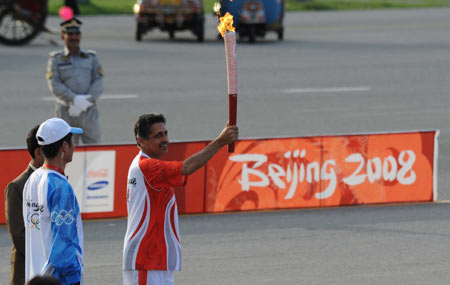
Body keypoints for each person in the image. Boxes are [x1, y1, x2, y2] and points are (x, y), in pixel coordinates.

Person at [122, 113, 239, 285]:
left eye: (165, 133)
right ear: (141, 141)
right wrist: (221, 141)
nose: (165, 139)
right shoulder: (146, 166)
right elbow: (187, 167)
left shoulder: (146, 166)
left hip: (157, 259)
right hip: (146, 258)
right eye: (158, 136)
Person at [23, 118, 84, 285]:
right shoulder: (60, 187)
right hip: (58, 278)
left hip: (36, 274)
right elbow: (64, 240)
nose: (74, 146)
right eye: (72, 141)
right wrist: (73, 278)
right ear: (64, 147)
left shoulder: (33, 178)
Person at [45, 17, 104, 145]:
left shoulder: (91, 57)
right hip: (66, 111)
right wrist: (74, 99)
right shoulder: (56, 59)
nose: (74, 37)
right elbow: (54, 83)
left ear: (80, 35)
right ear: (63, 35)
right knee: (66, 150)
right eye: (70, 34)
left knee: (96, 151)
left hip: (88, 111)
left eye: (77, 33)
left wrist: (86, 101)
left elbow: (98, 81)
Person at [5, 125, 44, 285]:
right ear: (38, 152)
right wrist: (46, 255)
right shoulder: (16, 186)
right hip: (27, 270)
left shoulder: (56, 181)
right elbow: (19, 235)